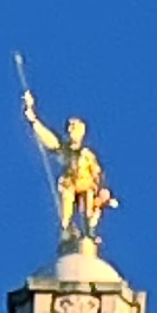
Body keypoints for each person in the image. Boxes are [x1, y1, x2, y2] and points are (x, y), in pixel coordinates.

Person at [22, 90, 116, 250]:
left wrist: (103, 193)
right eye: (70, 129)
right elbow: (50, 140)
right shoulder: (65, 150)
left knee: (87, 213)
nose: (71, 132)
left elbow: (98, 174)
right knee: (66, 214)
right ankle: (67, 233)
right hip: (70, 184)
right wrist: (33, 119)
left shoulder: (87, 154)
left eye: (74, 129)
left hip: (86, 186)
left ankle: (89, 235)